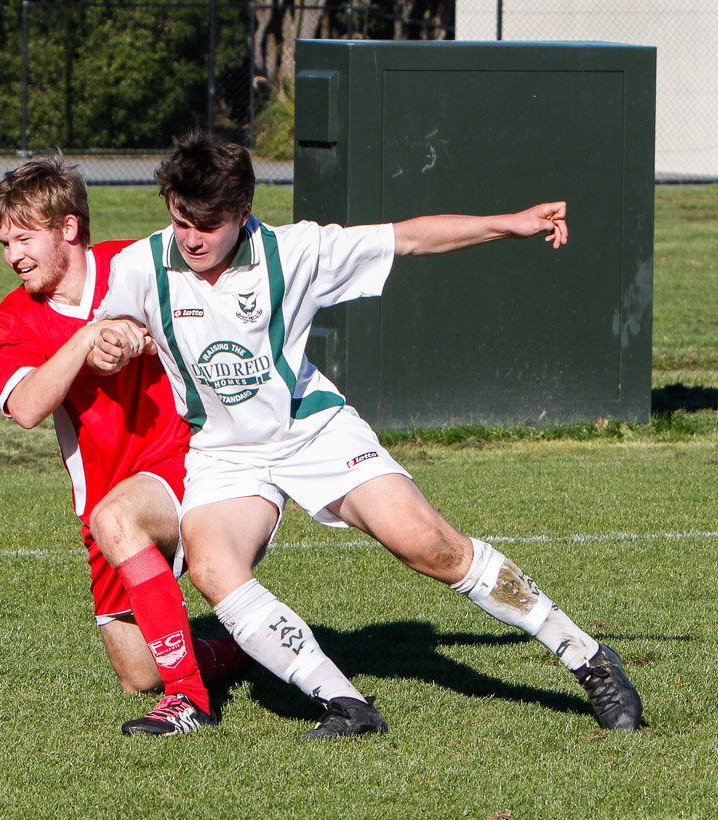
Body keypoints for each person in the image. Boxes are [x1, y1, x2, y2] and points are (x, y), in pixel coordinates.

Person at [90, 131, 643, 739]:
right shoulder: (141, 264)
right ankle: (346, 705)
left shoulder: (296, 251)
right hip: (225, 455)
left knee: (430, 546)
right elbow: (112, 329)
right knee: (213, 569)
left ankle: (587, 656)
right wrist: (111, 341)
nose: (192, 238)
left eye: (208, 225)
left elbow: (410, 237)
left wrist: (508, 224)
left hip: (313, 432)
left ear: (243, 212)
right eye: (181, 221)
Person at [0, 155, 247, 737]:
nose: (13, 256)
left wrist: (148, 338)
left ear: (68, 228)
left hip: (183, 462)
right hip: (102, 496)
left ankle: (189, 701)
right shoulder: (16, 317)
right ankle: (245, 650)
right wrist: (88, 338)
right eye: (5, 243)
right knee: (138, 673)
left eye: (24, 239)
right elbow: (26, 407)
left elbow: (211, 303)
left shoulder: (135, 262)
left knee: (119, 519)